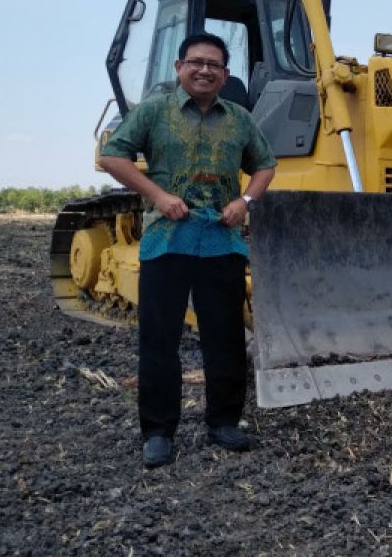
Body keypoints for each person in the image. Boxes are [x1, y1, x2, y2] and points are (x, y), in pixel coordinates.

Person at [99, 33, 276, 469]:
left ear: (225, 75)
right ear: (179, 67)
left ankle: (223, 423)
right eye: (196, 62)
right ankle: (158, 432)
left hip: (222, 242)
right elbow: (113, 155)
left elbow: (265, 164)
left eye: (214, 65)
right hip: (166, 242)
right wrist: (157, 196)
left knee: (226, 338)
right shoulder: (154, 112)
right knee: (159, 340)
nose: (205, 70)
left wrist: (245, 201)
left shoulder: (239, 119)